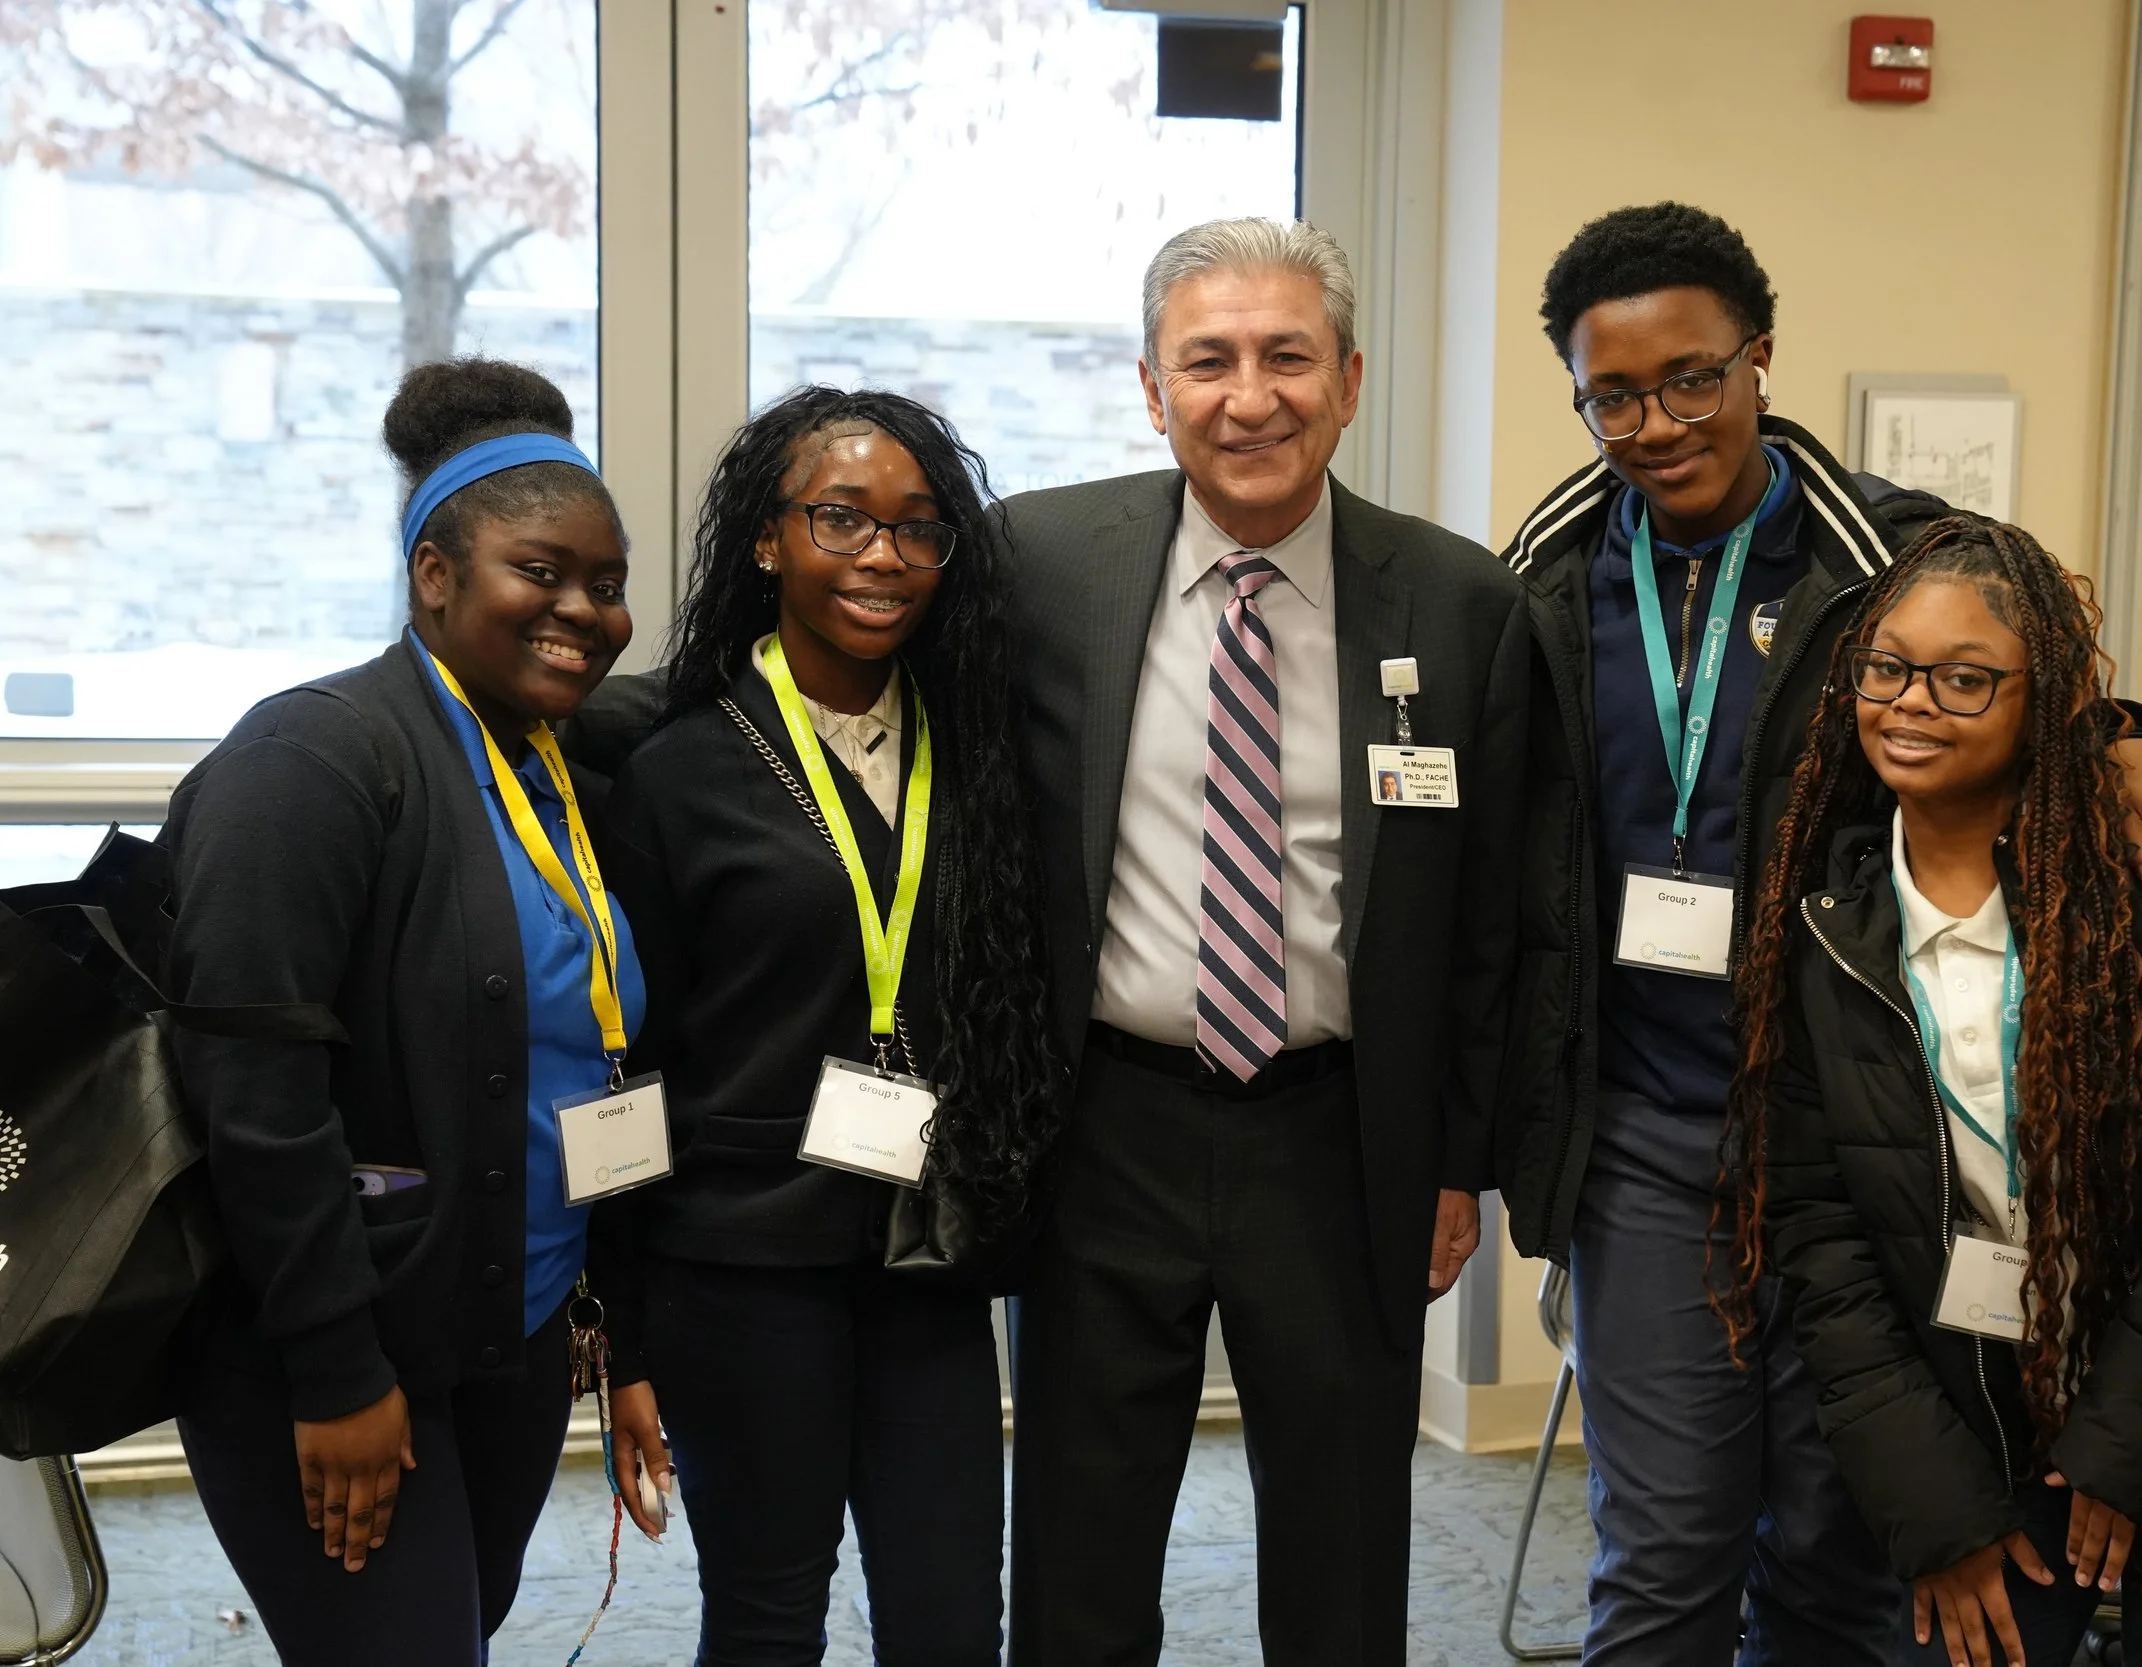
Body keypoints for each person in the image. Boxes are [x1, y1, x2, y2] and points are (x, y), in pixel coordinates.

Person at [1490, 202, 2142, 1663]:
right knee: (1664, 1550)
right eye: (1614, 394)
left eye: (1691, 378)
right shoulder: (1539, 576)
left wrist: (2127, 741)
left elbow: (2016, 682)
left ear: (1759, 357)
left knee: (1848, 1548)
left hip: (1862, 1135)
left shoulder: (1890, 552)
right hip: (1649, 1136)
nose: (1656, 424)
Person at [1718, 515, 2142, 1667]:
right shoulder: (1824, 932)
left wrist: (2124, 1454)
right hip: (2002, 1418)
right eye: (1886, 668)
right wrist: (1936, 1505)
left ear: (2045, 701)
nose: (1910, 702)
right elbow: (1823, 1243)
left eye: (1964, 677)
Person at [1001, 217, 1529, 1666]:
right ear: (1150, 388)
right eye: (1209, 360)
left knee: (1343, 1542)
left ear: (1348, 381)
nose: (1251, 398)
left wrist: (1457, 1157)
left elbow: (1491, 917)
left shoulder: (1460, 602)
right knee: (1078, 1536)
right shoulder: (1041, 562)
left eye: (1288, 357)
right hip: (1105, 1123)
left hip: (1340, 1133)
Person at [161, 357, 643, 1662]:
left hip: (511, 1332)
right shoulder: (310, 757)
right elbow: (254, 1090)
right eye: (540, 571)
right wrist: (336, 1368)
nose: (584, 610)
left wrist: (615, 1330)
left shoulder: (561, 772)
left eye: (608, 583)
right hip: (338, 1348)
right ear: (435, 572)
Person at [591, 387, 1062, 1663]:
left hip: (927, 1255)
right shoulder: (676, 772)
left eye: (918, 528)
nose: (882, 556)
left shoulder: (978, 750)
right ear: (766, 538)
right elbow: (625, 1070)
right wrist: (620, 1333)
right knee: (765, 1616)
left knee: (952, 1618)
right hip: (737, 1268)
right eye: (840, 518)